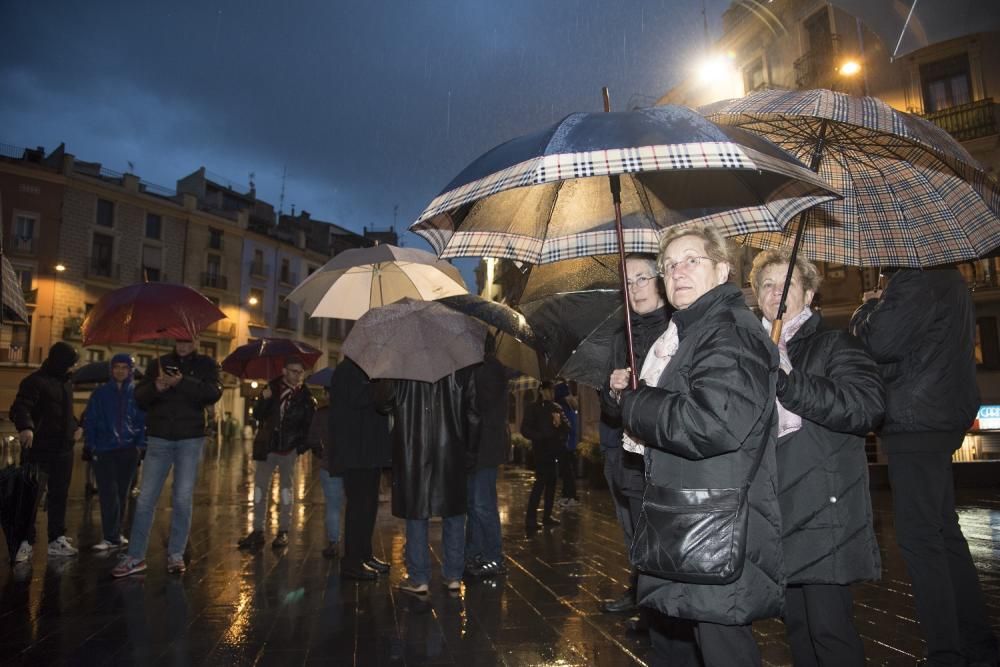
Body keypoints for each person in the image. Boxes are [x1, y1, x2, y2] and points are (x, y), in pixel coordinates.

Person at [614, 222, 783, 666]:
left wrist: (637, 404)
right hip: (696, 517)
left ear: (723, 270)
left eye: (692, 260)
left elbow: (712, 422)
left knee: (724, 646)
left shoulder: (729, 330)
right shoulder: (694, 330)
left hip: (716, 521)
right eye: (669, 266)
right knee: (698, 641)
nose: (677, 272)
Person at [851, 267, 1000, 667]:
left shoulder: (913, 279)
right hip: (940, 416)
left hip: (916, 419)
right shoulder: (949, 279)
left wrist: (868, 309)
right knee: (943, 533)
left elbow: (879, 341)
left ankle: (947, 652)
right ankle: (977, 642)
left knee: (920, 539)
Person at [750, 249, 884, 665]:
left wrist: (789, 382)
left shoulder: (835, 343)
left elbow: (866, 406)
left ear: (807, 295)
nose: (776, 293)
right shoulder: (750, 352)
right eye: (767, 286)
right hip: (778, 507)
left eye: (786, 285)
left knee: (830, 629)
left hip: (824, 507)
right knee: (799, 633)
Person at [598, 253, 670, 616]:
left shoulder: (678, 327)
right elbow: (609, 409)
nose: (634, 288)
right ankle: (641, 591)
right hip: (630, 453)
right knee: (635, 529)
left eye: (642, 278)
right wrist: (614, 389)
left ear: (659, 280)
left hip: (667, 452)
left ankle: (660, 598)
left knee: (664, 530)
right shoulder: (619, 337)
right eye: (627, 283)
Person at [112, 338, 221, 577]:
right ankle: (136, 556)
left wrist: (182, 382)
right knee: (145, 498)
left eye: (186, 341)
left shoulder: (206, 364)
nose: (181, 346)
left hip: (190, 439)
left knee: (182, 498)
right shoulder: (157, 363)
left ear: (196, 340)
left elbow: (213, 393)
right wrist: (156, 388)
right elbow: (140, 396)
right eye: (178, 341)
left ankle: (175, 554)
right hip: (159, 437)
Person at [377, 366, 480, 595]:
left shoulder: (403, 362)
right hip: (451, 450)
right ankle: (453, 575)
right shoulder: (462, 363)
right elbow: (473, 412)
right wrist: (470, 453)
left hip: (414, 450)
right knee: (453, 513)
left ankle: (419, 577)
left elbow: (383, 404)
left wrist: (388, 371)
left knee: (417, 511)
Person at [9, 341, 82, 563]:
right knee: (31, 497)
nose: (72, 368)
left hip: (64, 450)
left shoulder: (66, 383)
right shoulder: (34, 382)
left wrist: (76, 426)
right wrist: (26, 427)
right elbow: (20, 407)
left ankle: (56, 539)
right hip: (39, 449)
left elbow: (65, 412)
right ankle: (24, 542)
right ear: (60, 361)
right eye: (70, 363)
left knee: (59, 496)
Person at [238, 356, 316, 550]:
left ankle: (283, 531)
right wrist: (263, 401)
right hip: (268, 447)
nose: (297, 375)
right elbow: (257, 415)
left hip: (289, 450)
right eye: (293, 371)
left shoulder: (306, 398)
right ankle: (257, 531)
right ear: (284, 371)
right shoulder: (271, 389)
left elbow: (310, 427)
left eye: (300, 372)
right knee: (259, 490)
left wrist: (300, 448)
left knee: (287, 491)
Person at [329, 357, 392, 581]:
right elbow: (360, 399)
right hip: (356, 453)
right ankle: (352, 562)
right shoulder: (349, 371)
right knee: (358, 507)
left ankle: (365, 554)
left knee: (369, 506)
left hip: (370, 451)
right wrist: (380, 383)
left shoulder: (367, 369)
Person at [82, 353, 146, 552]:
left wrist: (139, 445)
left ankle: (116, 534)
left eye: (124, 367)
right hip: (104, 449)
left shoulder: (136, 394)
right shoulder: (100, 393)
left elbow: (142, 421)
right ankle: (110, 536)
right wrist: (92, 445)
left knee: (122, 493)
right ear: (111, 370)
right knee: (108, 494)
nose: (120, 370)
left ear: (130, 370)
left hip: (128, 450)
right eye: (116, 367)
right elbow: (90, 419)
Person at [465, 345, 513, 578]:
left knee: (482, 504)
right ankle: (475, 552)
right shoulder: (482, 368)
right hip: (478, 448)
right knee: (476, 504)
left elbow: (480, 405)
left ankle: (493, 556)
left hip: (484, 447)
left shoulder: (489, 369)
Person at [520, 381, 569, 534]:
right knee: (540, 483)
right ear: (541, 391)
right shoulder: (533, 408)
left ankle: (547, 516)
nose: (551, 393)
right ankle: (531, 519)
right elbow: (525, 429)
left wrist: (559, 424)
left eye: (552, 391)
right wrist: (540, 436)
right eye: (549, 390)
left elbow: (567, 428)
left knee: (552, 483)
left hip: (554, 450)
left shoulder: (556, 408)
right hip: (540, 451)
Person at [307, 386, 341, 558]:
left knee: (333, 506)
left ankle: (334, 542)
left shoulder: (321, 414)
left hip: (329, 466)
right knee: (353, 508)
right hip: (351, 466)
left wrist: (321, 453)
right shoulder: (351, 413)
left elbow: (312, 439)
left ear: (327, 394)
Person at [554, 381, 580, 508]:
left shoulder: (563, 408)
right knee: (566, 472)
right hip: (569, 445)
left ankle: (571, 497)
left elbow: (567, 428)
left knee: (567, 473)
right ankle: (566, 496)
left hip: (566, 445)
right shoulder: (568, 407)